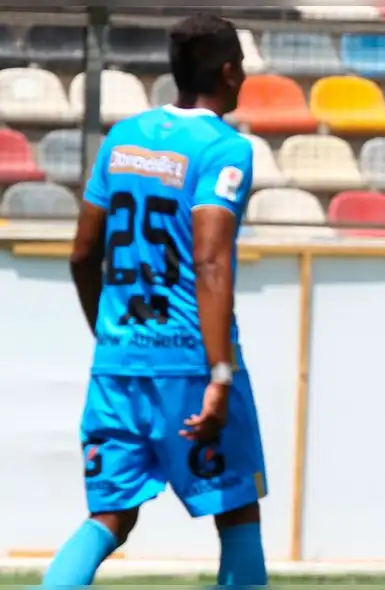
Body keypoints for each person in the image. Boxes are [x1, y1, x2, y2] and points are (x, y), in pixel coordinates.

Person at [49, 14, 267, 586]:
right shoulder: (225, 149)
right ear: (228, 73)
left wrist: (109, 333)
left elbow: (81, 254)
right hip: (191, 363)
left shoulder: (122, 139)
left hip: (118, 362)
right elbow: (210, 259)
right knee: (237, 509)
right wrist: (219, 375)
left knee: (110, 517)